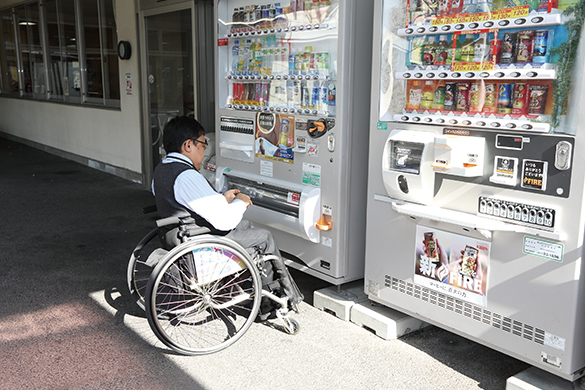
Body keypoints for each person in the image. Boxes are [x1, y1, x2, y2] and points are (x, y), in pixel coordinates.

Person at [152, 116, 303, 312]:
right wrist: (241, 202)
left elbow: (184, 201)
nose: (204, 151)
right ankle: (274, 299)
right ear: (188, 145)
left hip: (175, 233)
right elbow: (223, 221)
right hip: (197, 238)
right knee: (264, 237)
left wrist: (222, 199)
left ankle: (258, 286)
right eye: (203, 144)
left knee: (246, 226)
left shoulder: (162, 169)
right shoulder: (187, 175)